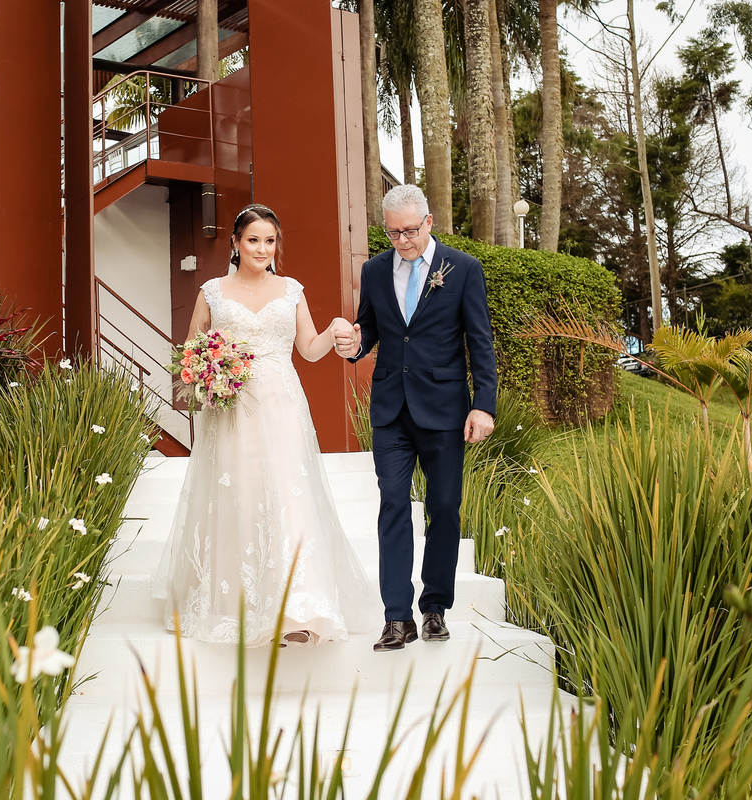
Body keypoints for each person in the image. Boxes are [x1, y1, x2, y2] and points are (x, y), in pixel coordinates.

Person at [153, 205, 375, 647]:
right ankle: (238, 603)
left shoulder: (292, 290)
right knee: (237, 497)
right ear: (236, 243)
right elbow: (191, 353)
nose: (262, 249)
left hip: (281, 404)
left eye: (270, 241)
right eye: (253, 239)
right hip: (230, 410)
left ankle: (299, 606)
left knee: (288, 496)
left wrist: (334, 330)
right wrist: (206, 371)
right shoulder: (212, 292)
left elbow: (309, 350)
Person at [333, 185, 498, 652]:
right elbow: (369, 331)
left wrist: (483, 404)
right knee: (392, 504)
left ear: (429, 222)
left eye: (410, 230)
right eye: (393, 233)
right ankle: (396, 617)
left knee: (444, 508)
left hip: (444, 408)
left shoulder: (463, 269)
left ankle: (434, 608)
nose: (402, 240)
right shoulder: (373, 270)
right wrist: (354, 346)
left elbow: (479, 343)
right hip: (390, 408)